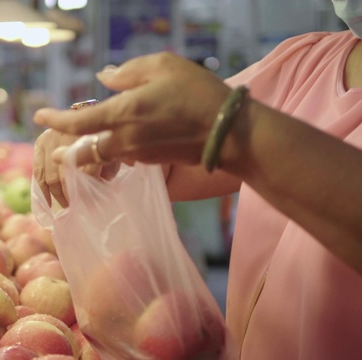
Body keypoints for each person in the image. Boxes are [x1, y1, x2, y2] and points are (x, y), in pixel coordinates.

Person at [32, 1, 362, 358]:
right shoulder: (309, 63)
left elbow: (218, 126)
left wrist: (234, 131)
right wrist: (97, 129)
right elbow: (175, 150)